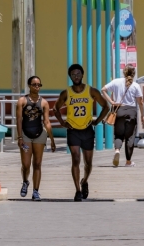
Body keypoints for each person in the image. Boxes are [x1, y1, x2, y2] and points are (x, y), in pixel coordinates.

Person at [53, 64, 109, 202]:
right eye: (73, 74)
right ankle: (77, 191)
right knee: (76, 159)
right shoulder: (66, 93)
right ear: (70, 76)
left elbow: (106, 107)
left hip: (87, 130)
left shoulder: (91, 91)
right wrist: (62, 122)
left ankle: (84, 181)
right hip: (73, 130)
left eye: (78, 73)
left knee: (88, 163)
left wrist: (97, 121)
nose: (76, 76)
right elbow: (55, 108)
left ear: (82, 75)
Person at [16, 75, 55, 201]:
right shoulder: (22, 101)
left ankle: (36, 191)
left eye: (39, 85)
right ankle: (25, 181)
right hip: (26, 135)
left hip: (39, 135)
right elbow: (19, 120)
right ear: (29, 86)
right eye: (34, 84)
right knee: (26, 164)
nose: (37, 87)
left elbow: (47, 122)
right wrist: (20, 137)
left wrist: (52, 140)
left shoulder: (44, 102)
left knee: (37, 164)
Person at [101, 65, 143, 167]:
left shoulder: (116, 81)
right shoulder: (136, 85)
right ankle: (128, 161)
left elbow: (103, 90)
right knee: (130, 137)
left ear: (124, 72)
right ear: (134, 73)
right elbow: (140, 102)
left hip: (119, 110)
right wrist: (142, 115)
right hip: (131, 112)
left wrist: (111, 102)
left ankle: (117, 151)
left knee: (119, 134)